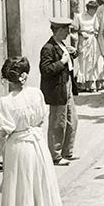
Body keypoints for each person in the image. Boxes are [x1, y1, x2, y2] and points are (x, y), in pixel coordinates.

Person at [0, 57, 63, 206]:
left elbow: (1, 130)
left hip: (18, 145)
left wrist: (1, 150)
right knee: (40, 183)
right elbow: (42, 118)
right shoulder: (35, 94)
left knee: (19, 188)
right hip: (37, 143)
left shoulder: (5, 102)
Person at [40, 17, 79, 166]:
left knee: (72, 120)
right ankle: (55, 155)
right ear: (58, 30)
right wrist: (62, 62)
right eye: (66, 30)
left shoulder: (61, 44)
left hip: (66, 86)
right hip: (57, 89)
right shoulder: (48, 48)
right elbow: (46, 69)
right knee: (58, 123)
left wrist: (72, 53)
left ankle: (67, 151)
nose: (68, 34)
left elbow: (67, 60)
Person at [74, 1, 103, 93]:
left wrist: (94, 34)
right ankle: (82, 85)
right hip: (83, 39)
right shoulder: (79, 16)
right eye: (92, 9)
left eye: (95, 10)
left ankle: (92, 84)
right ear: (88, 9)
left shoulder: (95, 17)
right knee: (83, 61)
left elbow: (97, 28)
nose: (94, 11)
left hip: (92, 40)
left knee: (93, 61)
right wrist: (81, 33)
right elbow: (74, 29)